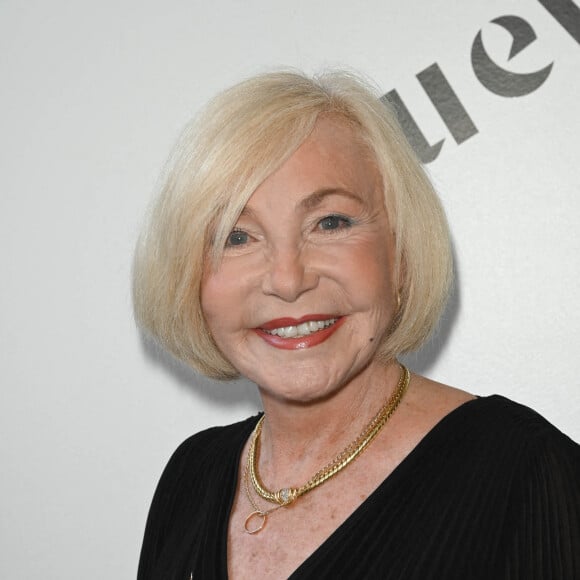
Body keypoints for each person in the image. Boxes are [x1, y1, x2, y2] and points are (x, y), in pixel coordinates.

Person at [133, 70, 580, 579]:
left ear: (400, 250)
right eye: (237, 236)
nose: (287, 279)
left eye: (330, 223)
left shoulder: (525, 474)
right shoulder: (192, 475)